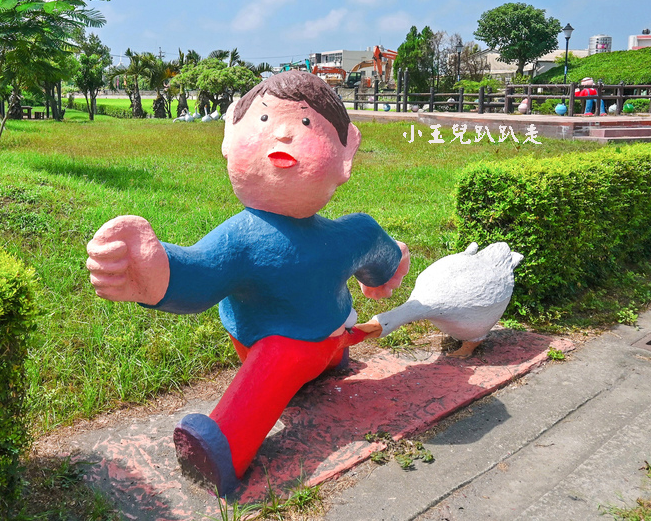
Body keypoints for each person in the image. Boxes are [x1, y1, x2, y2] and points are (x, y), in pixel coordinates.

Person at [85, 71, 409, 496]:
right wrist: (149, 270)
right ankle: (295, 390)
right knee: (281, 355)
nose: (283, 134)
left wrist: (390, 270)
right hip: (283, 341)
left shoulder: (350, 233)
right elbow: (199, 273)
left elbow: (379, 253)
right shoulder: (243, 237)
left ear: (345, 154)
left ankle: (226, 443)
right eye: (262, 120)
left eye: (307, 125)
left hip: (315, 341)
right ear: (229, 135)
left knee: (284, 358)